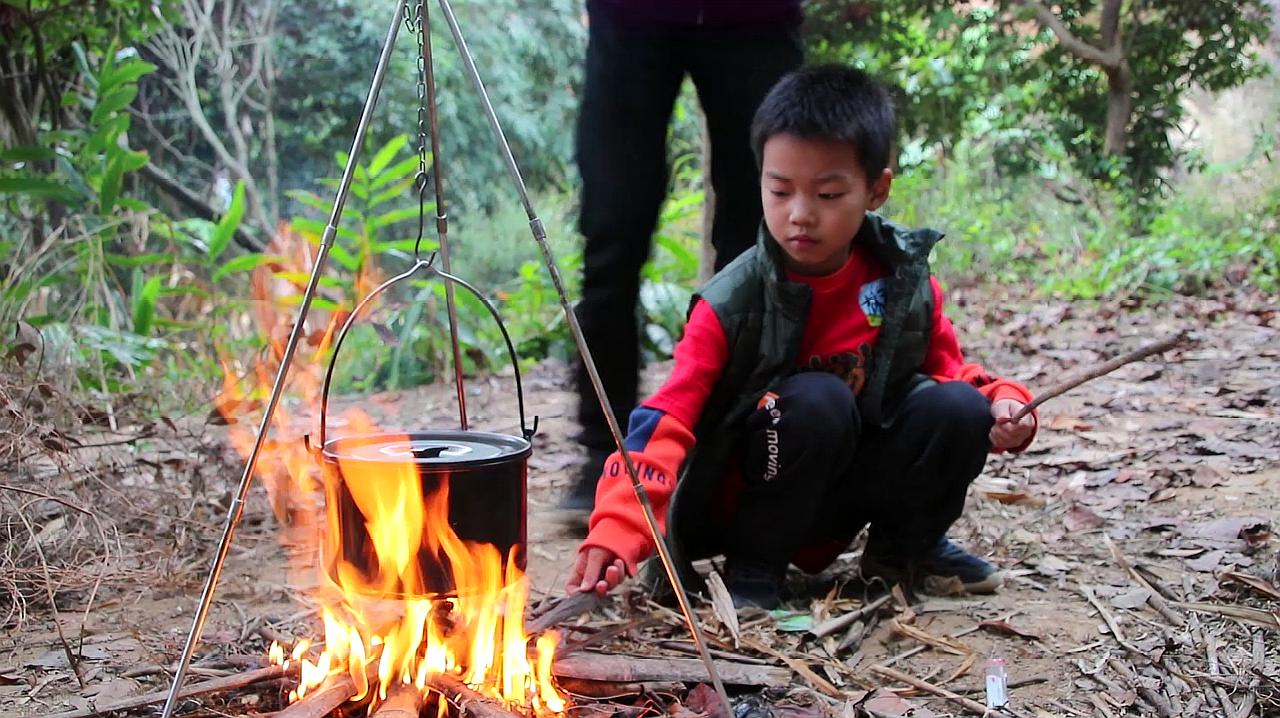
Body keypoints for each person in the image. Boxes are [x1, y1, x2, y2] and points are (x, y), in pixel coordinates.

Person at [565, 65, 1040, 609]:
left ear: (876, 190)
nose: (799, 215)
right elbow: (667, 416)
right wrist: (619, 527)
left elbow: (951, 375)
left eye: (828, 193)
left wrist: (1005, 403)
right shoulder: (732, 301)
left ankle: (905, 553)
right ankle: (754, 566)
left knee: (959, 408)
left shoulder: (903, 282)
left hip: (840, 482)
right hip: (746, 491)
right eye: (780, 190)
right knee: (816, 398)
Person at [566, 0, 805, 516]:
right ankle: (605, 450)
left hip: (753, 21)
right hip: (629, 18)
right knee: (612, 231)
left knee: (759, 241)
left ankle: (736, 451)